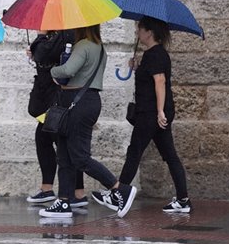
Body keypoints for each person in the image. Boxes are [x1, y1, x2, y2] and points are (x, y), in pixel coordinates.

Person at [92, 16, 191, 213]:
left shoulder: (155, 55)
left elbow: (160, 81)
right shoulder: (155, 54)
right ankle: (183, 199)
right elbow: (152, 78)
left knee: (134, 152)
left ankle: (118, 193)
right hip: (154, 113)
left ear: (149, 32)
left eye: (140, 29)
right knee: (170, 155)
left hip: (150, 113)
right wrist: (137, 67)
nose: (137, 32)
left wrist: (160, 111)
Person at [39, 24, 137, 219]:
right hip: (84, 101)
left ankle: (119, 189)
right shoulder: (99, 47)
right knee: (64, 155)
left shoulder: (83, 45)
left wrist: (52, 71)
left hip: (78, 102)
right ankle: (64, 201)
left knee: (79, 157)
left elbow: (68, 69)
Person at [25, 30, 88, 208]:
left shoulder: (65, 35)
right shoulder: (52, 37)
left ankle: (76, 193)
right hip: (46, 95)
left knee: (62, 142)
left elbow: (45, 53)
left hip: (57, 96)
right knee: (44, 138)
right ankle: (50, 189)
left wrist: (38, 41)